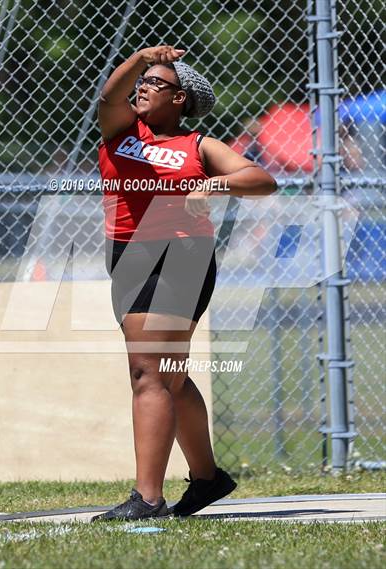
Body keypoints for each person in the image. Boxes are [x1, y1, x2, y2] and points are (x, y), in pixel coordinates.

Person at [91, 46, 276, 522]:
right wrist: (138, 58)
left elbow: (260, 179)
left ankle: (147, 498)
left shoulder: (197, 146)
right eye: (142, 82)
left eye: (155, 83)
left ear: (181, 99)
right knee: (167, 375)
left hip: (183, 256)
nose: (143, 88)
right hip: (128, 259)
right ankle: (209, 478)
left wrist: (214, 185)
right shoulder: (120, 127)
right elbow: (109, 94)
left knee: (148, 372)